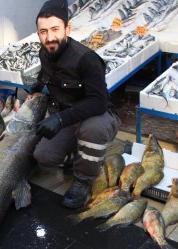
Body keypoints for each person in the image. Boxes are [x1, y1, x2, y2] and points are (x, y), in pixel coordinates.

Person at [30, 0, 121, 209]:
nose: (49, 37)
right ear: (38, 34)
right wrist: (34, 92)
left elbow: (98, 102)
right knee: (43, 155)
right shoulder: (45, 53)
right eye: (43, 31)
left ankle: (84, 179)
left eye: (55, 29)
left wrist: (60, 119)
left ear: (67, 29)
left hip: (98, 116)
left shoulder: (86, 59)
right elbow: (44, 77)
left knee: (93, 129)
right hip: (69, 117)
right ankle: (78, 154)